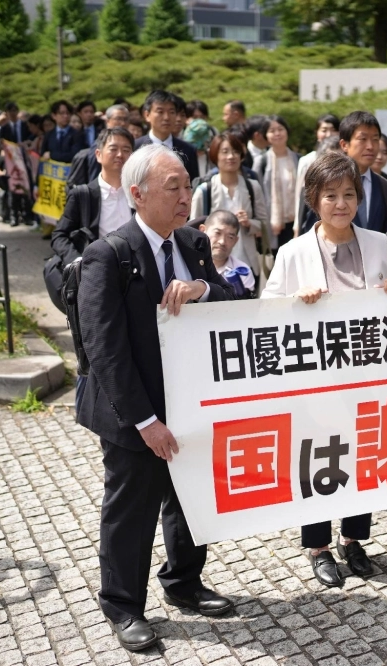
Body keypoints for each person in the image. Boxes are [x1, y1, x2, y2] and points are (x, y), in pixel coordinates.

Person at [77, 144, 237, 652]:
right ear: (137, 194)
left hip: (191, 401)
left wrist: (201, 291)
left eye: (188, 186)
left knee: (191, 500)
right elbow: (105, 348)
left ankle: (184, 582)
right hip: (134, 410)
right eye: (174, 187)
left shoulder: (192, 244)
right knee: (132, 508)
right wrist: (146, 421)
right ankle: (123, 606)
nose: (185, 196)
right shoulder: (110, 253)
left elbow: (232, 302)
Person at [263, 151, 387, 587]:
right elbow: (265, 311)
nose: (340, 204)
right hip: (316, 382)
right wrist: (296, 301)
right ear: (313, 200)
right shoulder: (292, 252)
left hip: (366, 374)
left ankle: (354, 538)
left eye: (348, 194)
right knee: (318, 460)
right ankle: (318, 545)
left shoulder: (378, 242)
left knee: (361, 455)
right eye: (330, 196)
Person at [190, 132, 268, 294]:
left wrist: (249, 223)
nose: (231, 157)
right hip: (212, 263)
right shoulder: (204, 190)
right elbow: (192, 231)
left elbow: (264, 224)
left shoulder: (253, 187)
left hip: (246, 262)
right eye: (225, 152)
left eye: (235, 151)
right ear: (215, 156)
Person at [300, 111, 387, 236]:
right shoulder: (322, 182)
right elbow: (310, 230)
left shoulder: (386, 188)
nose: (370, 146)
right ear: (344, 144)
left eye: (375, 139)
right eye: (363, 139)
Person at [51, 128, 136, 265]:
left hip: (135, 271)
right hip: (96, 272)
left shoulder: (140, 194)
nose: (120, 154)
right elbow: (59, 235)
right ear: (98, 155)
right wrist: (78, 262)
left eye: (126, 150)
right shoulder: (82, 195)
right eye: (113, 149)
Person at [253, 115, 299, 249]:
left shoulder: (299, 159)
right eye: (272, 131)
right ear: (266, 136)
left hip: (296, 222)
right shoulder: (261, 162)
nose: (277, 133)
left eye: (280, 129)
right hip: (271, 222)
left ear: (287, 131)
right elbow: (256, 195)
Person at [134, 90, 199, 183]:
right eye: (160, 112)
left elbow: (192, 184)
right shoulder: (135, 147)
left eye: (171, 112)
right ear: (147, 115)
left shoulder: (188, 150)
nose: (166, 117)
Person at [294, 113, 339, 235]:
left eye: (333, 130)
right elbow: (300, 194)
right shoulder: (307, 160)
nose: (329, 134)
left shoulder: (344, 158)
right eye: (324, 130)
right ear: (317, 133)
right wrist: (297, 225)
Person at [68, 104, 130, 186]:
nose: (122, 123)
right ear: (107, 121)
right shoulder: (100, 144)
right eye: (118, 119)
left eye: (125, 119)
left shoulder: (132, 142)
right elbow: (94, 177)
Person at [198, 210, 255, 297]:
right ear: (202, 231)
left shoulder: (242, 271)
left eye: (230, 237)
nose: (222, 242)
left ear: (236, 241)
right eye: (217, 233)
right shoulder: (188, 263)